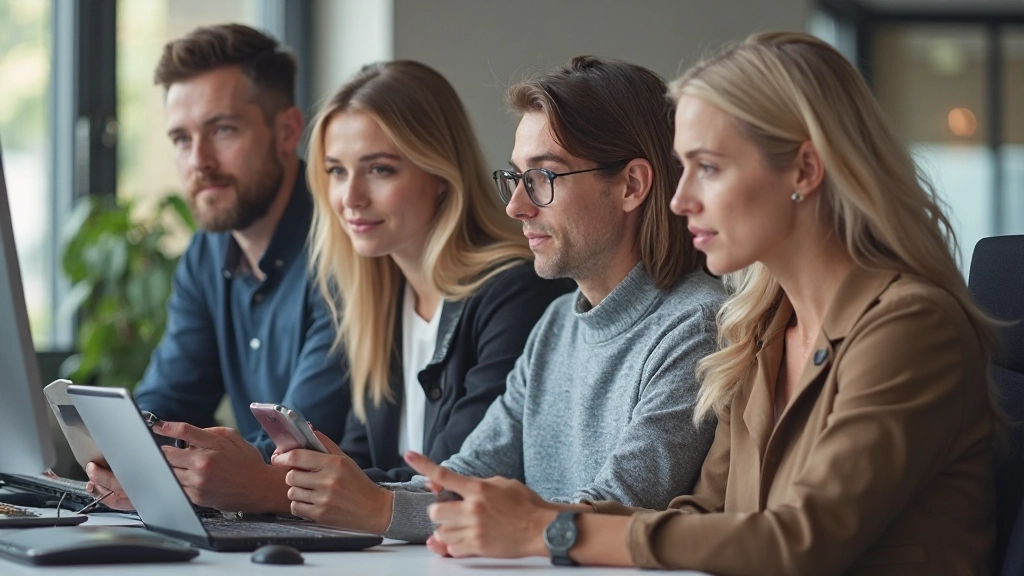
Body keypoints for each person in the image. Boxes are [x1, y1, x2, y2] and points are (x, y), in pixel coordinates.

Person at [409, 32, 999, 574]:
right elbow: (704, 515)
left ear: (804, 169)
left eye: (709, 168)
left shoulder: (912, 327)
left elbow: (802, 541)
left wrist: (554, 530)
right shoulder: (759, 332)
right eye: (684, 168)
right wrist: (535, 521)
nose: (682, 198)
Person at [274, 56, 726, 542]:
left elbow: (610, 513)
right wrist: (360, 499)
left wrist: (381, 509)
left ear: (632, 186)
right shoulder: (556, 324)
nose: (516, 206)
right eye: (516, 178)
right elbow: (463, 476)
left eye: (543, 178)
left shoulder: (695, 325)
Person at [260, 61, 571, 524]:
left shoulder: (515, 292)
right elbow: (361, 456)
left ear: (440, 175)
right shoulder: (375, 297)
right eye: (337, 172)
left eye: (379, 169)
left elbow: (454, 477)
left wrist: (265, 487)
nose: (350, 197)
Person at [85, 24, 350, 513]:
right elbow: (168, 399)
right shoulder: (207, 253)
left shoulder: (346, 243)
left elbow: (304, 442)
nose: (198, 161)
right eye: (182, 139)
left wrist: (163, 464)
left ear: (288, 130)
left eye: (222, 130)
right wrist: (125, 453)